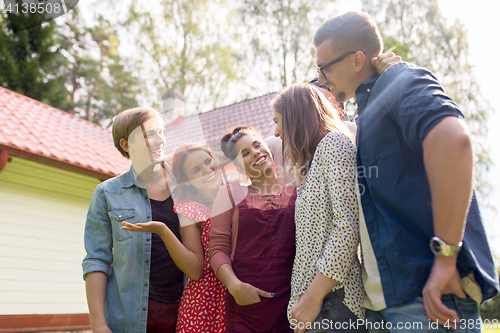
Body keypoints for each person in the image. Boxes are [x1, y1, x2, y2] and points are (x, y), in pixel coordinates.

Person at [313, 11, 499, 333]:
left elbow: (454, 142)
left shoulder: (401, 79)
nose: (321, 77)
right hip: (390, 303)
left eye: (325, 67)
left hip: (426, 299)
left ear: (358, 60)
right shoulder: (369, 109)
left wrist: (446, 257)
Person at [271, 83, 367, 333]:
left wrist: (313, 297)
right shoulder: (313, 164)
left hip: (334, 300)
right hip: (318, 303)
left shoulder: (335, 144)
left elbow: (347, 227)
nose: (277, 131)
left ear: (296, 118)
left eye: (278, 121)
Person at [82, 107, 183, 333]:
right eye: (149, 134)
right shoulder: (106, 193)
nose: (161, 140)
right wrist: (98, 323)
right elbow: (97, 259)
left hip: (183, 312)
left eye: (161, 131)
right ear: (127, 145)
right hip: (128, 317)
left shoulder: (187, 185)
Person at [121, 143, 227, 333]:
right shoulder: (190, 210)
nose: (206, 170)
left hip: (238, 295)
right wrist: (163, 230)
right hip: (204, 305)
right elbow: (194, 271)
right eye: (196, 170)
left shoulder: (237, 196)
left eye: (207, 161)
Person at [209, 126, 297, 333]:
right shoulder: (228, 193)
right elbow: (218, 249)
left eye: (257, 145)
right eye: (245, 154)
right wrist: (235, 286)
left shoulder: (297, 192)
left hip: (293, 305)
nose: (256, 152)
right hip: (245, 308)